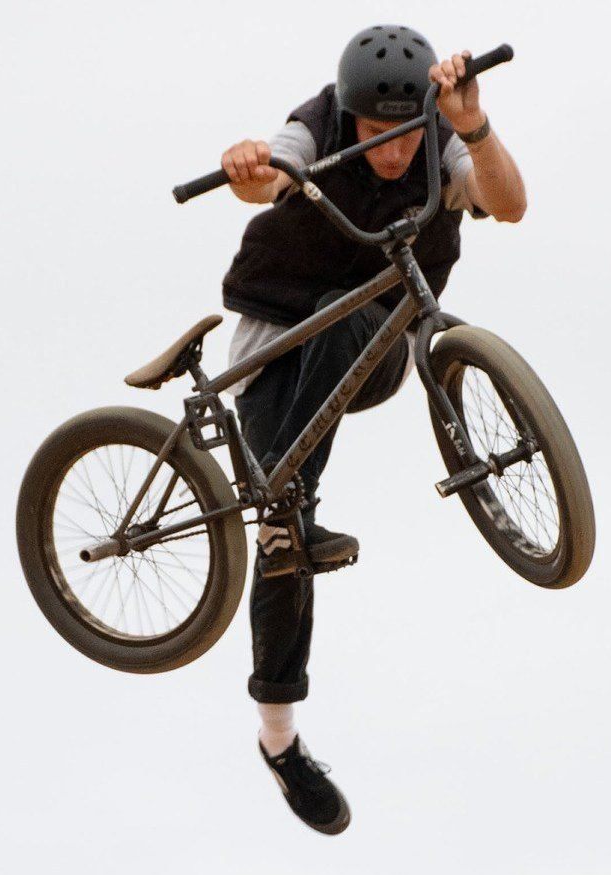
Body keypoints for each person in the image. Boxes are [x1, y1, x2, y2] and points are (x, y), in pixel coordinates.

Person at [217, 27, 527, 834]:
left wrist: (472, 125)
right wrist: (250, 165)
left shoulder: (441, 139)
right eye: (374, 134)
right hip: (273, 352)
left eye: (405, 135)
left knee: (352, 315)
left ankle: (289, 506)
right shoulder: (317, 124)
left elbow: (510, 205)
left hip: (369, 344)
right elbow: (273, 171)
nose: (393, 154)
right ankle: (279, 743)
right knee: (283, 544)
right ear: (348, 114)